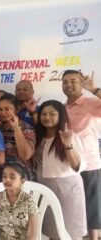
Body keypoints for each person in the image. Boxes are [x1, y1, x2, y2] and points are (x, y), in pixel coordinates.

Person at [33, 100, 86, 239]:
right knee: (51, 229)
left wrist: (68, 145)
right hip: (44, 187)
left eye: (52, 114)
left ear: (60, 116)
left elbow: (77, 166)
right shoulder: (38, 136)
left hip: (67, 188)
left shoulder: (70, 136)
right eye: (43, 114)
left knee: (70, 231)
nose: (47, 117)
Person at [62, 70, 101, 240]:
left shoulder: (92, 103)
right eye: (65, 82)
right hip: (67, 166)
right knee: (74, 208)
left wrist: (94, 90)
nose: (68, 84)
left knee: (92, 207)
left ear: (81, 84)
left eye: (73, 81)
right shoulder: (61, 108)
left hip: (89, 165)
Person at [0, 93, 36, 181]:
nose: (3, 113)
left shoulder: (27, 128)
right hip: (1, 180)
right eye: (0, 109)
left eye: (7, 109)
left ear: (16, 109)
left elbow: (25, 155)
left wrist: (16, 128)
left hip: (22, 180)